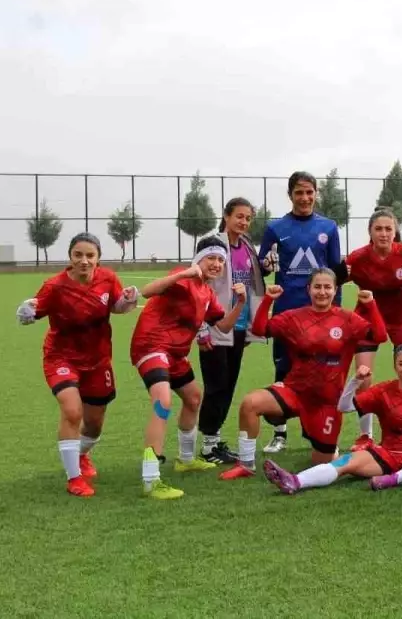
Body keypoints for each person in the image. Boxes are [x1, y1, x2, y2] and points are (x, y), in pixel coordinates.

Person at [218, 269, 388, 479]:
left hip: (327, 403)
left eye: (327, 287)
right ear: (309, 289)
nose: (322, 292)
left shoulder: (347, 320)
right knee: (250, 404)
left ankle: (329, 449)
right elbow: (261, 329)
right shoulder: (294, 317)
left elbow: (380, 335)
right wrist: (268, 300)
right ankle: (246, 464)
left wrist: (370, 304)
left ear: (335, 290)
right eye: (317, 286)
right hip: (294, 392)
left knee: (323, 465)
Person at [16, 232, 140, 497]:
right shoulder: (55, 286)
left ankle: (83, 455)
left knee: (94, 423)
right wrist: (26, 311)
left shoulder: (107, 278)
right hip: (61, 358)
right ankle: (74, 479)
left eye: (90, 256)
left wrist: (128, 300)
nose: (84, 261)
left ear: (98, 258)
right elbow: (34, 311)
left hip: (97, 360)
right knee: (73, 412)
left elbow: (116, 306)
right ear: (70, 257)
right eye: (78, 255)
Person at [261, 344, 402, 494]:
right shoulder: (383, 390)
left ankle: (395, 480)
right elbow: (344, 407)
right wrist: (355, 381)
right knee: (345, 462)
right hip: (388, 455)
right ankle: (295, 481)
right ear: (395, 365)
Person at [129, 243, 247, 499]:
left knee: (193, 398)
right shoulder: (184, 278)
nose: (216, 264)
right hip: (151, 345)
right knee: (162, 401)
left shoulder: (206, 292)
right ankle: (151, 479)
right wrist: (182, 274)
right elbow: (146, 292)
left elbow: (224, 327)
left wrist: (240, 303)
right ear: (199, 260)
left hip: (175, 354)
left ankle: (185, 459)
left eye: (220, 260)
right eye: (211, 259)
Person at [257, 171, 344, 454]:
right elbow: (262, 265)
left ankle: (315, 429)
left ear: (316, 194)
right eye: (299, 193)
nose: (305, 198)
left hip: (319, 314)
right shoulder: (275, 227)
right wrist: (266, 265)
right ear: (290, 194)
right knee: (284, 369)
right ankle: (279, 433)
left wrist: (337, 312)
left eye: (309, 192)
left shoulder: (328, 228)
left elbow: (334, 273)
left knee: (320, 372)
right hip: (287, 312)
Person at [339, 208, 402, 450]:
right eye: (378, 229)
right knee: (363, 376)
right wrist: (339, 272)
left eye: (388, 229)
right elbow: (331, 280)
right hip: (367, 320)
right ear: (370, 232)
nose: (383, 233)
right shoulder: (358, 258)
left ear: (395, 232)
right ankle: (366, 436)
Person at [197, 198, 267, 465]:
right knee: (216, 385)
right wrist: (201, 327)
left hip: (238, 325)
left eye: (248, 218)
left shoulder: (247, 246)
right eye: (239, 216)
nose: (244, 222)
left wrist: (250, 327)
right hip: (215, 326)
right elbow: (200, 284)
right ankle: (209, 445)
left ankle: (213, 442)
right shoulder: (212, 244)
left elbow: (252, 281)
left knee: (227, 385)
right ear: (226, 216)